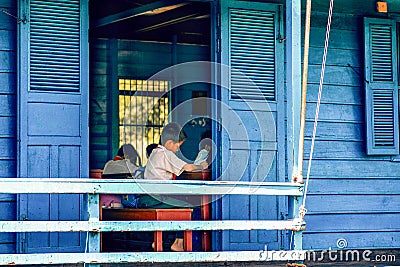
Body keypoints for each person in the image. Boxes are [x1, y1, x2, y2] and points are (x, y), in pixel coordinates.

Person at [139, 122, 208, 251]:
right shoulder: (166, 154)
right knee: (190, 207)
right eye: (178, 146)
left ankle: (158, 241)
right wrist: (202, 166)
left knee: (176, 204)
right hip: (156, 200)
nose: (178, 149)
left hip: (147, 199)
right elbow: (188, 167)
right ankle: (178, 243)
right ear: (170, 143)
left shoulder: (155, 152)